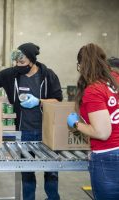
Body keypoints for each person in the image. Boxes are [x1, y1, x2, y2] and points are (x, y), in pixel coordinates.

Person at [0, 43, 62, 200]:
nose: (18, 66)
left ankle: (53, 198)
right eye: (16, 63)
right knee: (27, 172)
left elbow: (58, 100)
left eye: (22, 63)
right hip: (24, 132)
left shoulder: (47, 75)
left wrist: (39, 101)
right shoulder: (12, 74)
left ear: (32, 61)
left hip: (47, 131)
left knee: (51, 171)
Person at [67, 43, 119, 200]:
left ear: (82, 65)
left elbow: (102, 133)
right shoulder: (116, 80)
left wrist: (76, 124)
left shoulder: (94, 90)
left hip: (108, 157)